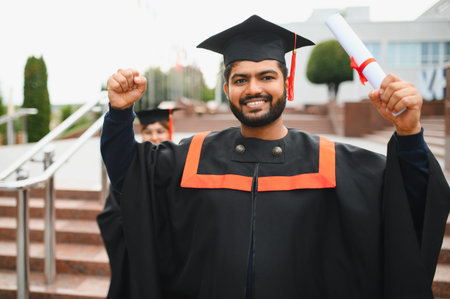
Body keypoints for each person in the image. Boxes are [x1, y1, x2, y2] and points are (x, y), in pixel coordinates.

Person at [100, 15, 450, 299]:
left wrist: (409, 132)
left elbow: (410, 201)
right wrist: (119, 113)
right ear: (227, 90)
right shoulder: (191, 158)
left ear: (287, 83)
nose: (253, 89)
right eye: (241, 79)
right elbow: (128, 173)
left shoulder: (334, 163)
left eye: (267, 76)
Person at [97, 108, 180, 299]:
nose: (154, 137)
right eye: (148, 132)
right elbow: (110, 215)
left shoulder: (180, 164)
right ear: (141, 135)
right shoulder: (132, 170)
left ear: (169, 132)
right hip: (141, 249)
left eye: (160, 131)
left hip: (171, 251)